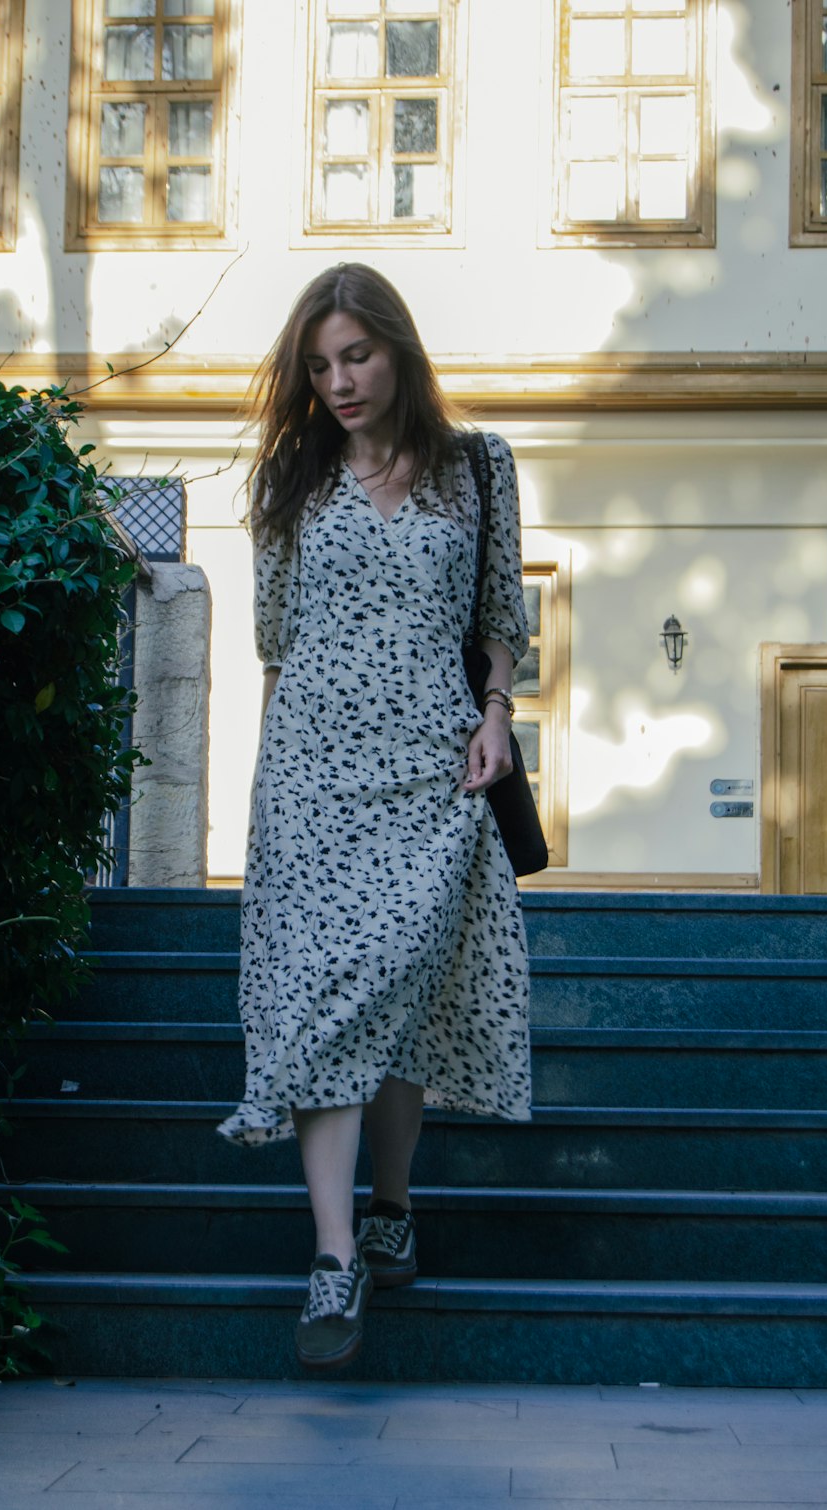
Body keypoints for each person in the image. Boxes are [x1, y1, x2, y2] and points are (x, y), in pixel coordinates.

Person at [217, 263, 532, 1370]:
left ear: (398, 348)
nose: (338, 381)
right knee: (321, 999)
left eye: (356, 355)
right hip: (310, 777)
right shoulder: (289, 480)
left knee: (395, 986)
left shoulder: (476, 467)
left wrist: (495, 714)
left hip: (433, 772)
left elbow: (501, 622)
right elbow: (274, 644)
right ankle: (336, 1253)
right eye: (318, 364)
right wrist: (269, 796)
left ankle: (391, 1200)